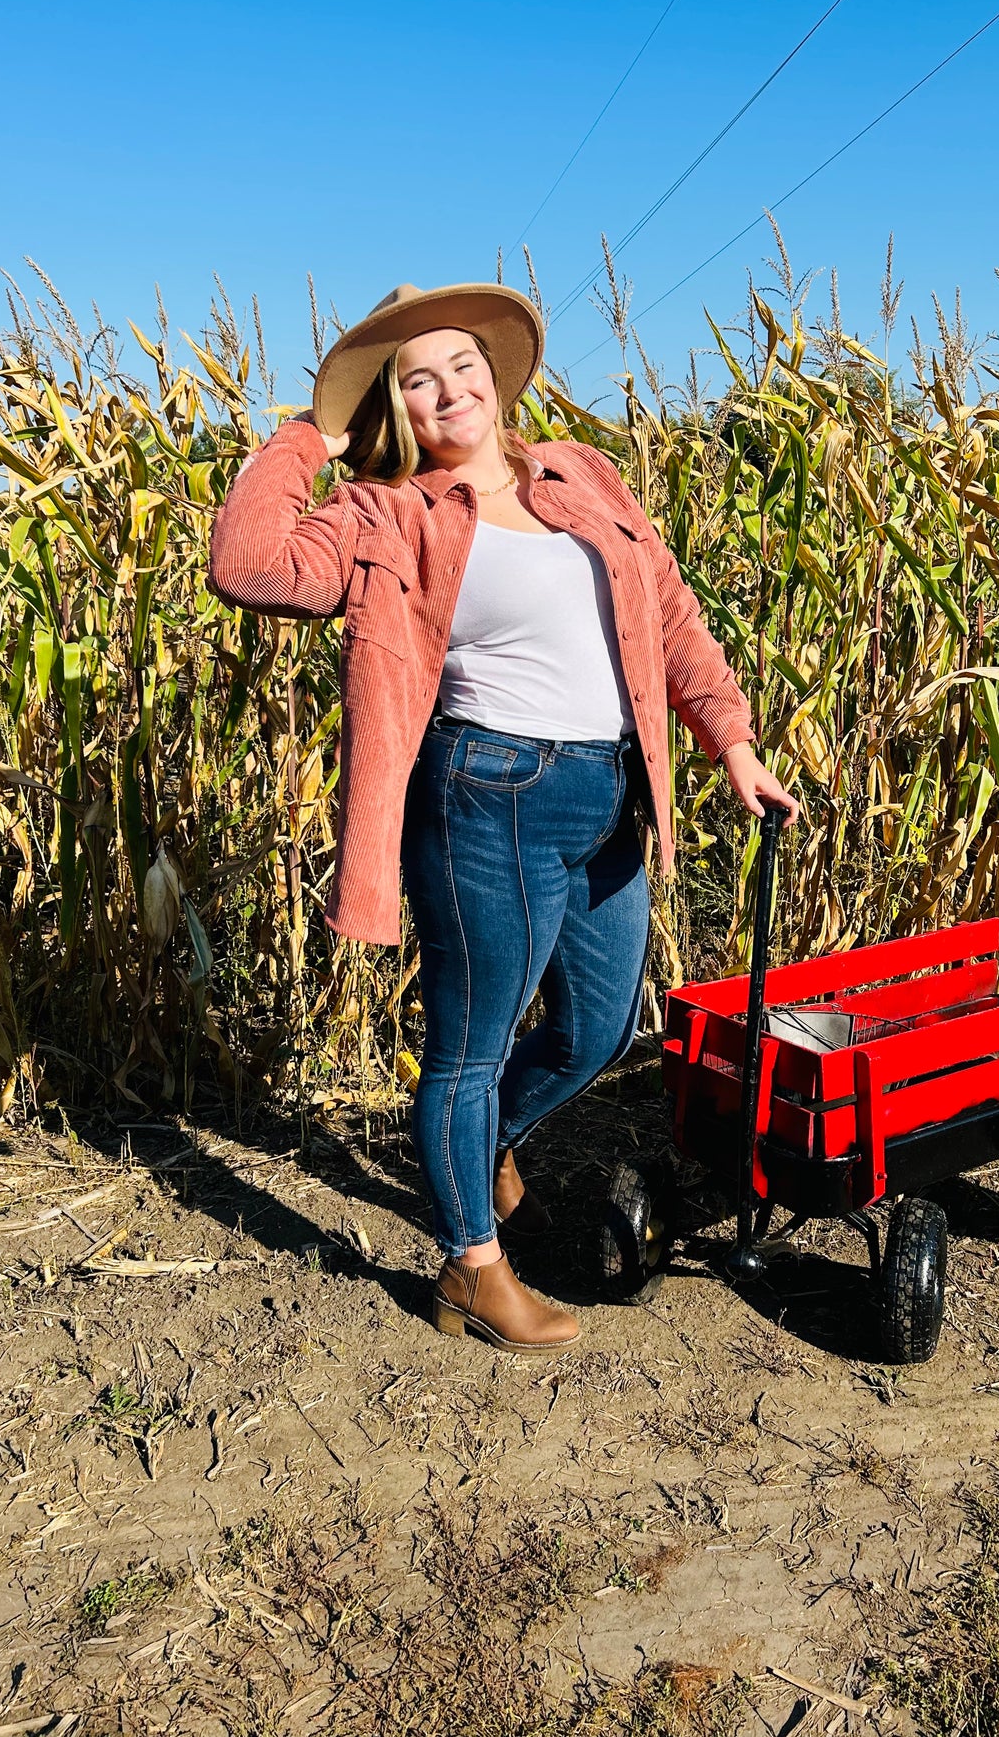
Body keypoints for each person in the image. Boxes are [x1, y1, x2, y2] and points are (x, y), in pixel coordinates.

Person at [208, 280, 797, 1352]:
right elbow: (248, 565)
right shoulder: (385, 509)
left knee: (597, 1027)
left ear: (495, 373)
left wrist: (732, 742)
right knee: (469, 1047)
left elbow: (668, 615)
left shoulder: (580, 473)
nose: (448, 389)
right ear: (395, 404)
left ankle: (475, 1150)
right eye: (416, 378)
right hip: (488, 793)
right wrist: (307, 436)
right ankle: (469, 1269)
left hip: (611, 793)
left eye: (461, 365)